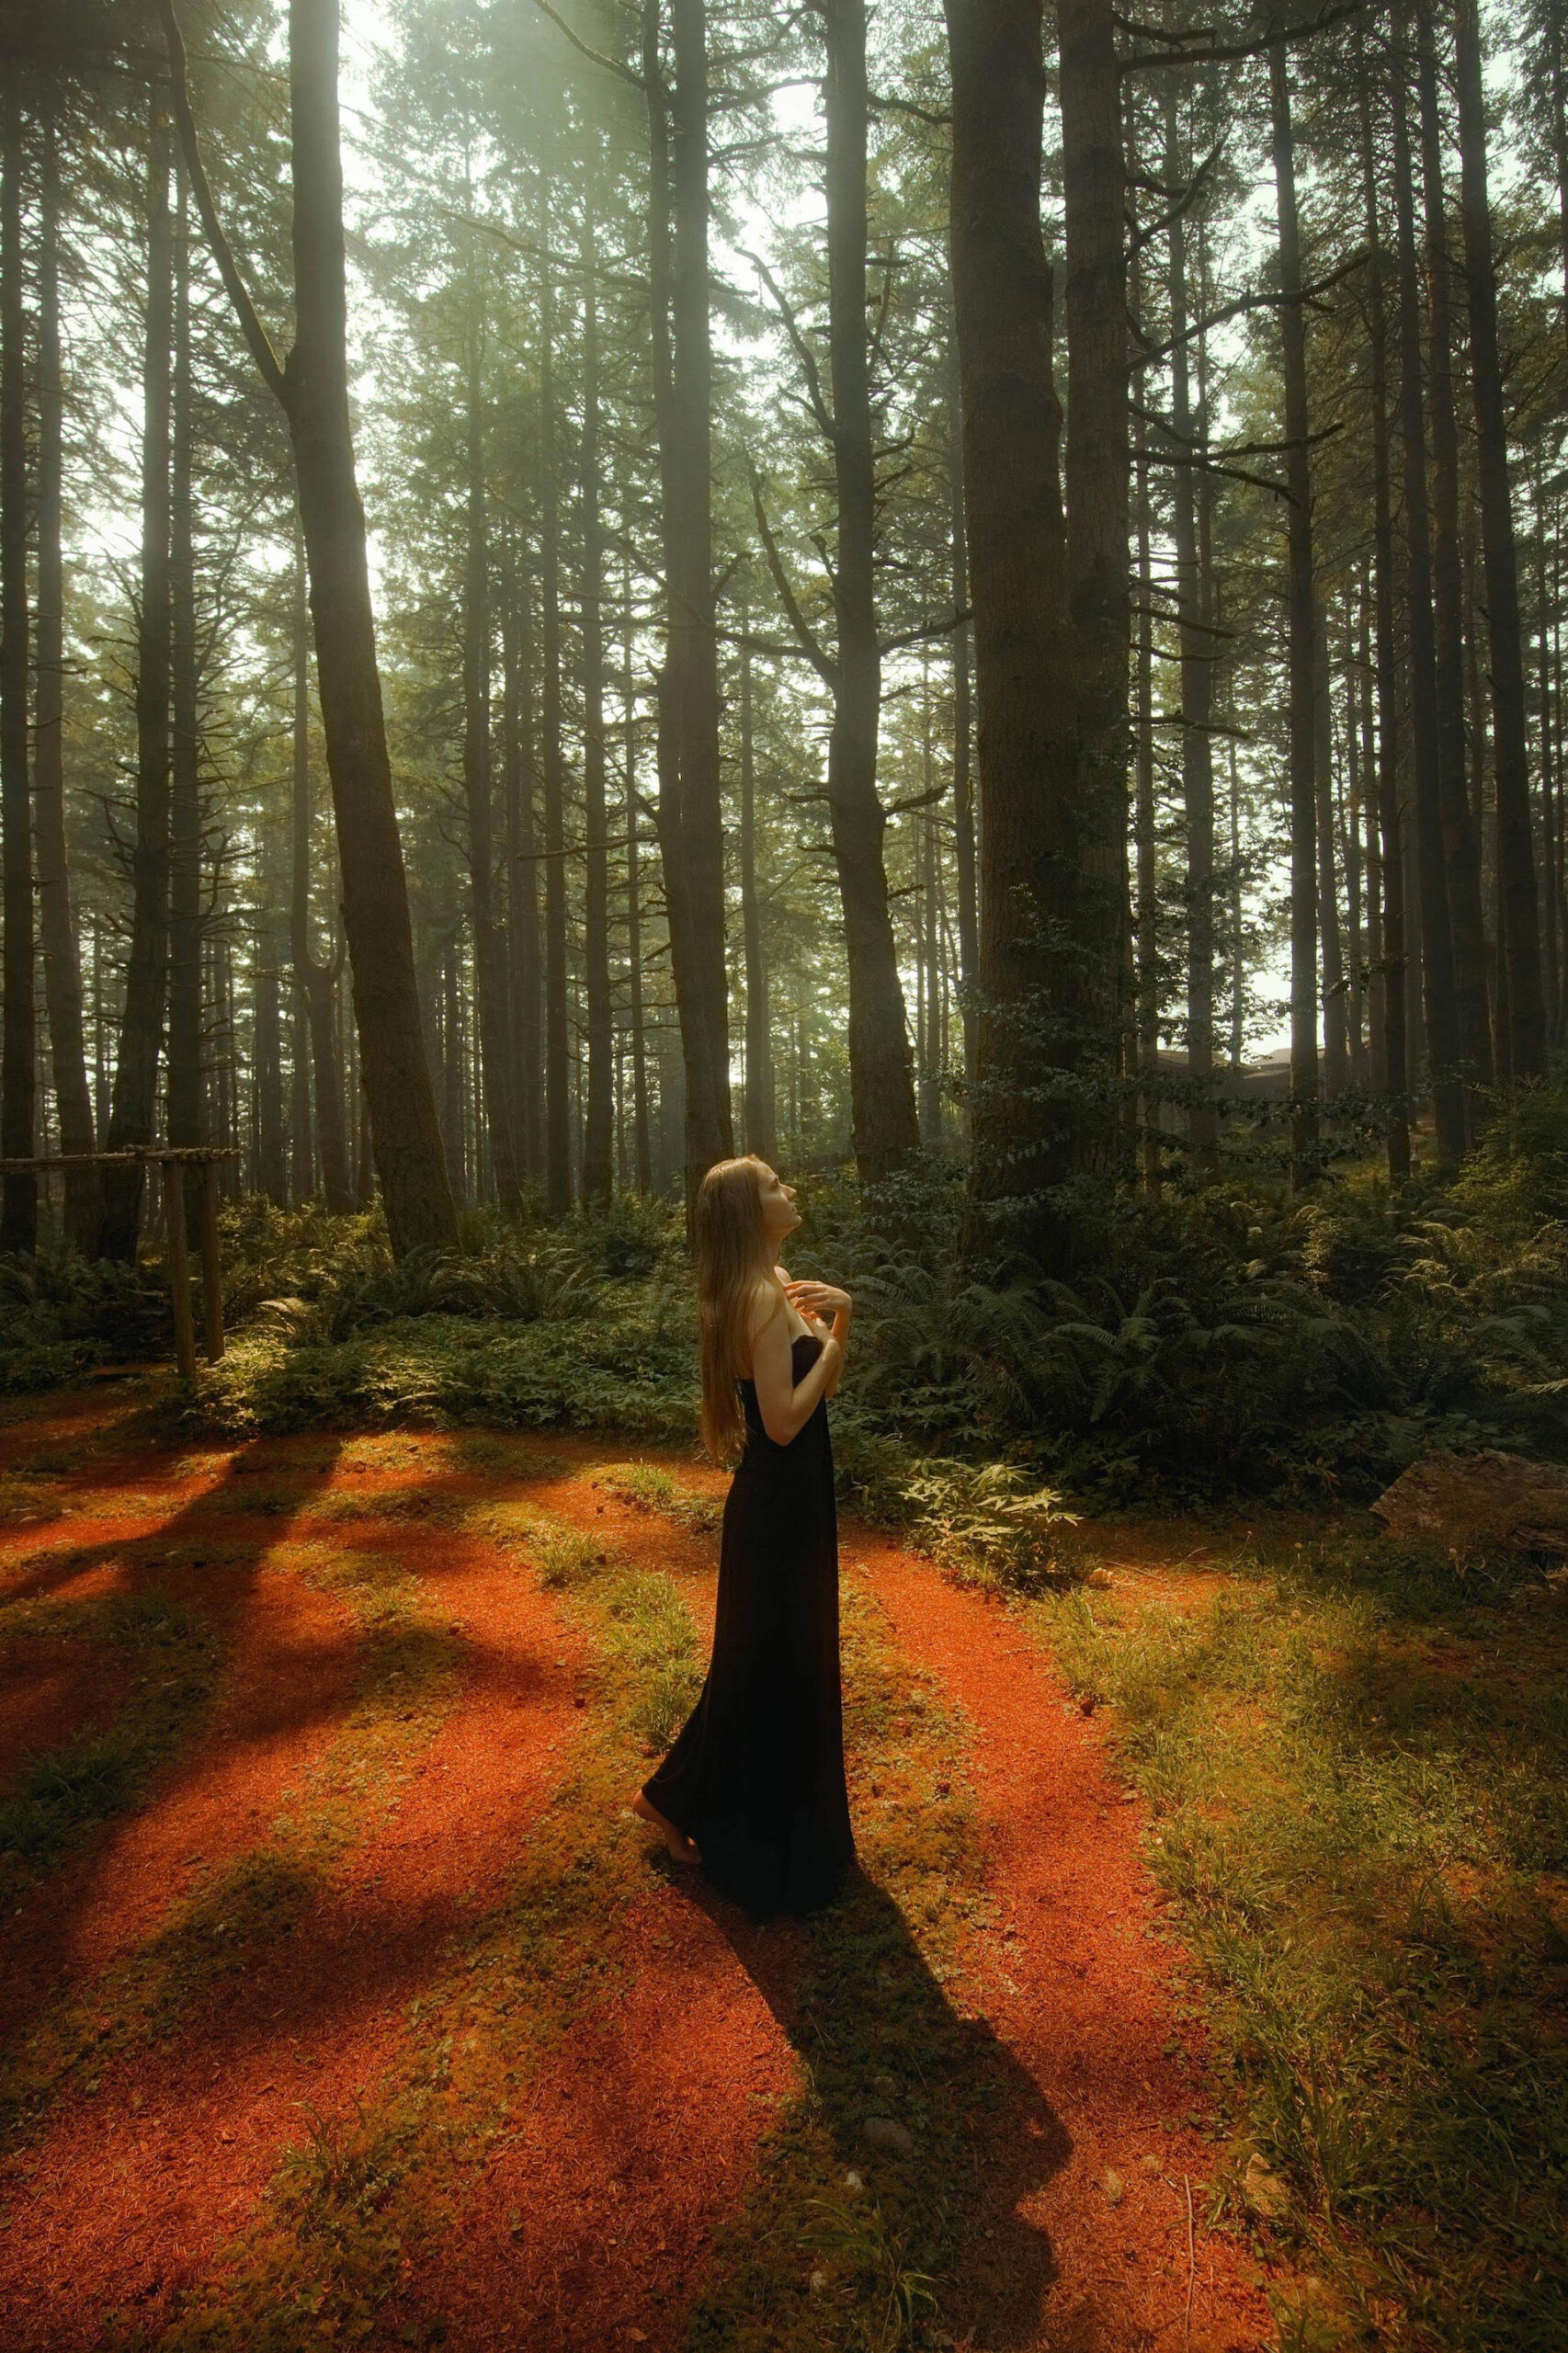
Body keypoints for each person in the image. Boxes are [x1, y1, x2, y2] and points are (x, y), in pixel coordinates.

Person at [631, 1156, 857, 1917]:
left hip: (792, 1500)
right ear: (745, 1211)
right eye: (772, 1186)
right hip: (777, 1502)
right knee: (762, 1665)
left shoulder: (775, 1281)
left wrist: (824, 1336)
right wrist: (842, 1334)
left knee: (773, 1665)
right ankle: (680, 1803)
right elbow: (786, 1423)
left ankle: (686, 1801)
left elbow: (802, 1395)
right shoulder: (760, 1297)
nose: (788, 1190)